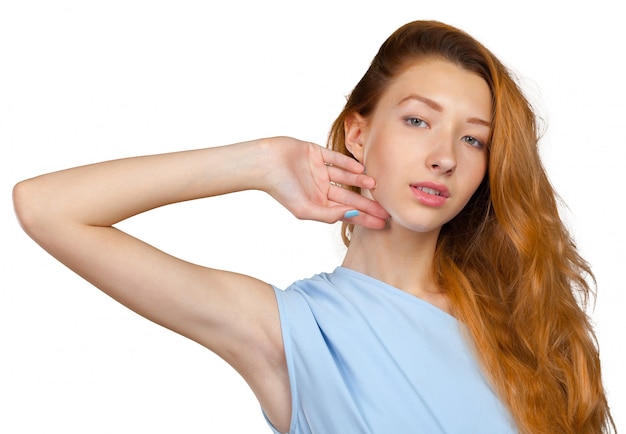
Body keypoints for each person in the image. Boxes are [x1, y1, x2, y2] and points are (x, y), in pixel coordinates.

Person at [12, 20, 615, 434]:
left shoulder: (526, 323)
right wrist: (257, 161)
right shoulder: (292, 333)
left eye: (472, 138)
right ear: (359, 133)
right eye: (416, 120)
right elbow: (46, 207)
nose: (445, 156)